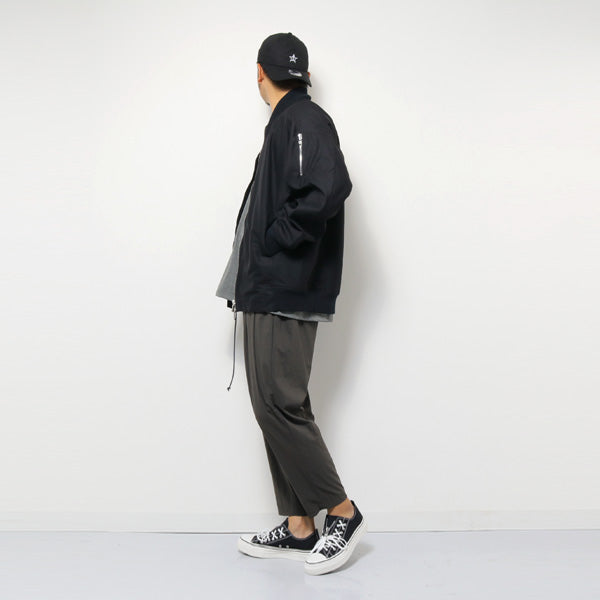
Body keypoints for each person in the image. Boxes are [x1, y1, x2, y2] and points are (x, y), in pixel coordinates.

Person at [216, 32, 366, 576]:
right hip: (269, 286)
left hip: (286, 286)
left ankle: (341, 512)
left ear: (259, 72)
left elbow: (326, 189)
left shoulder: (303, 118)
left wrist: (275, 241)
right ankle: (300, 526)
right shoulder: (288, 120)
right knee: (270, 405)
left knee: (280, 404)